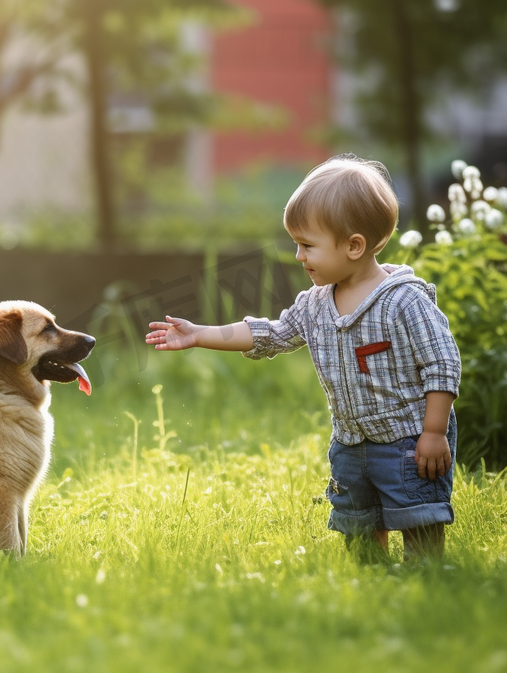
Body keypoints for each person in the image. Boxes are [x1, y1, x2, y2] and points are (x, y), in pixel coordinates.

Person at [144, 154, 461, 562]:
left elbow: (442, 364)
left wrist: (433, 433)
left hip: (407, 441)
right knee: (360, 526)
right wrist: (200, 335)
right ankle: (375, 581)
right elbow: (271, 334)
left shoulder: (403, 302)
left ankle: (426, 575)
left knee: (419, 520)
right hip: (350, 444)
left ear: (354, 245)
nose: (298, 256)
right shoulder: (314, 305)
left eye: (307, 245)